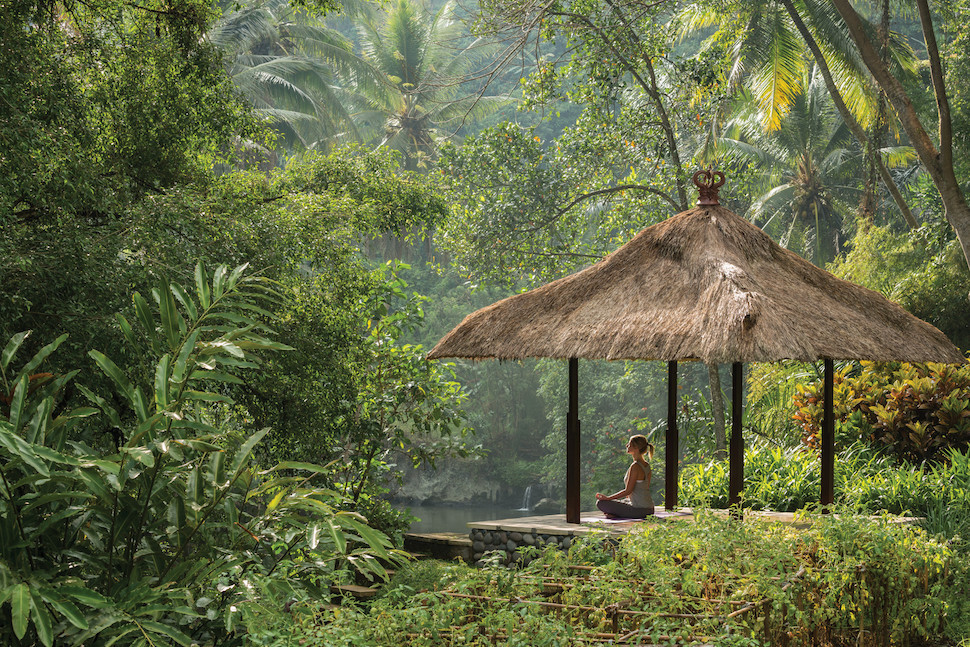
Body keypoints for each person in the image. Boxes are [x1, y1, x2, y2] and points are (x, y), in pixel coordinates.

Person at [595, 434, 655, 519]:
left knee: (601, 503)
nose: (627, 445)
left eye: (629, 444)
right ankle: (617, 514)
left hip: (640, 511)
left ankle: (617, 514)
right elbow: (644, 488)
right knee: (619, 502)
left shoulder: (635, 466)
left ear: (636, 448)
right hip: (650, 509)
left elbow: (628, 491)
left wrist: (608, 498)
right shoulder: (647, 465)